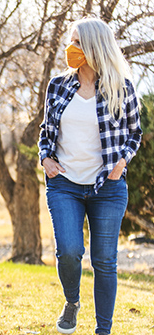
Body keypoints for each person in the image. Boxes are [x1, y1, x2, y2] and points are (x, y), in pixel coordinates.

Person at [39, 17, 142, 335]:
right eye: (70, 41)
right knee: (68, 251)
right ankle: (72, 302)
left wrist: (122, 162)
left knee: (104, 261)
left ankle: (103, 330)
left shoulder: (120, 88)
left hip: (107, 188)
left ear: (95, 46)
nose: (71, 48)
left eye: (78, 42)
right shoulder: (58, 85)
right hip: (65, 185)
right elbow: (46, 132)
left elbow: (134, 133)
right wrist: (45, 158)